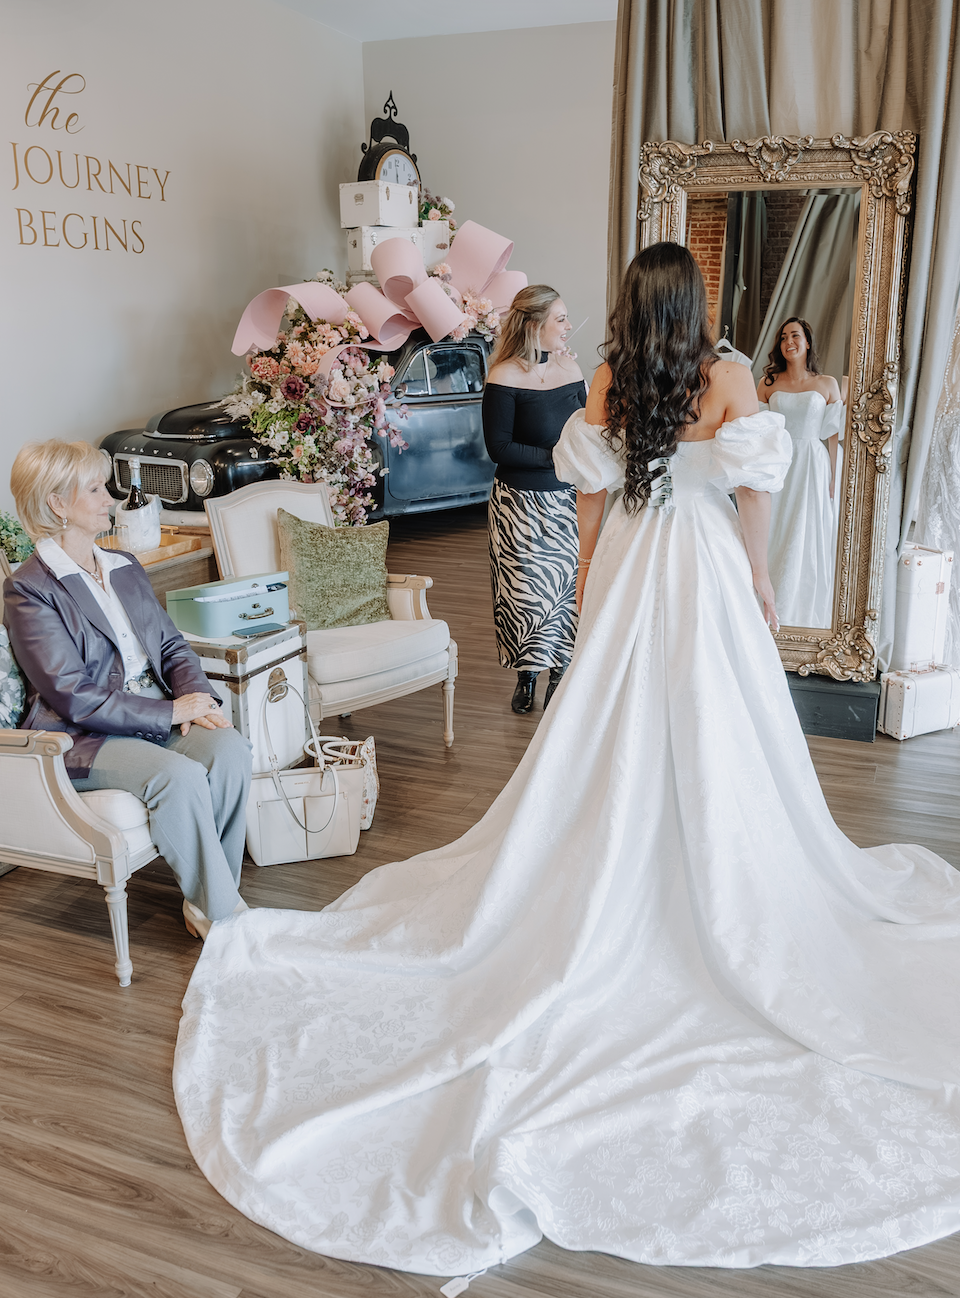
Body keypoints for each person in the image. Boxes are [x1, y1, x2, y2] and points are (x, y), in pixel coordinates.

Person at [174, 245, 960, 1280]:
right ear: (695, 304)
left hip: (637, 560)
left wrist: (590, 588)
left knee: (615, 725)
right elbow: (753, 496)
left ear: (633, 306)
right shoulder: (725, 376)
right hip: (703, 563)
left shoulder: (605, 377)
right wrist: (761, 582)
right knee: (712, 718)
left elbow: (589, 503)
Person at [3, 440, 252, 940]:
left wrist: (199, 702)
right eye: (94, 489)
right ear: (57, 504)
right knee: (177, 777)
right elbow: (73, 694)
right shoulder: (29, 589)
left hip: (150, 710)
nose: (108, 498)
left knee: (229, 747)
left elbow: (173, 647)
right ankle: (227, 920)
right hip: (82, 737)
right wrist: (167, 714)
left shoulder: (123, 566)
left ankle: (207, 904)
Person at [482, 285, 586, 712]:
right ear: (534, 325)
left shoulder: (573, 372)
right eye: (559, 319)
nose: (567, 326)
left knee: (564, 591)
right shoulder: (503, 375)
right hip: (517, 507)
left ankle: (560, 670)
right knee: (525, 593)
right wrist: (558, 458)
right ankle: (527, 675)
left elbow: (586, 431)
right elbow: (499, 448)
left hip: (567, 502)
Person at [758, 317, 844, 626]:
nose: (788, 342)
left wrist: (835, 477)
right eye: (783, 337)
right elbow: (759, 434)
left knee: (804, 531)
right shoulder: (768, 385)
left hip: (812, 465)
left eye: (795, 335)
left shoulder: (826, 384)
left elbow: (834, 436)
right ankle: (767, 608)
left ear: (807, 342)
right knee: (776, 529)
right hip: (778, 462)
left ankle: (800, 614)